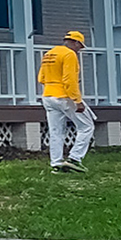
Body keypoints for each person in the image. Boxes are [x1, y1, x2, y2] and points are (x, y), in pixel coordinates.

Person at [37, 29, 96, 173]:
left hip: (48, 96)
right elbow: (69, 80)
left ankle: (56, 164)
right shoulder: (69, 54)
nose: (79, 50)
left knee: (56, 131)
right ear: (75, 42)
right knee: (86, 126)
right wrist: (78, 100)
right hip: (65, 96)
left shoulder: (49, 53)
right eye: (80, 46)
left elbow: (41, 78)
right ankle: (74, 159)